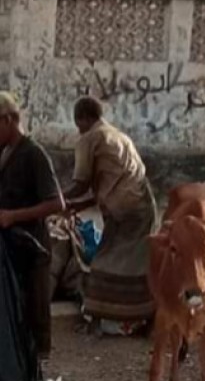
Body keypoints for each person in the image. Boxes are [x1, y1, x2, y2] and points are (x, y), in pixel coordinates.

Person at [0, 92, 64, 358]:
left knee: (35, 312)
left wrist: (13, 216)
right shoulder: (1, 153)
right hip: (9, 245)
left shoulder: (34, 154)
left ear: (8, 119)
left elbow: (56, 203)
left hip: (33, 245)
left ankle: (37, 370)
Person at [64, 96, 157, 325]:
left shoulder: (89, 139)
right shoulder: (118, 136)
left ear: (83, 119)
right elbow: (105, 189)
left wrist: (56, 199)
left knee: (104, 263)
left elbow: (81, 184)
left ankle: (105, 317)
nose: (78, 129)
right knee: (137, 263)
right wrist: (72, 205)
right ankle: (140, 316)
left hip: (124, 212)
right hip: (144, 205)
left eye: (78, 124)